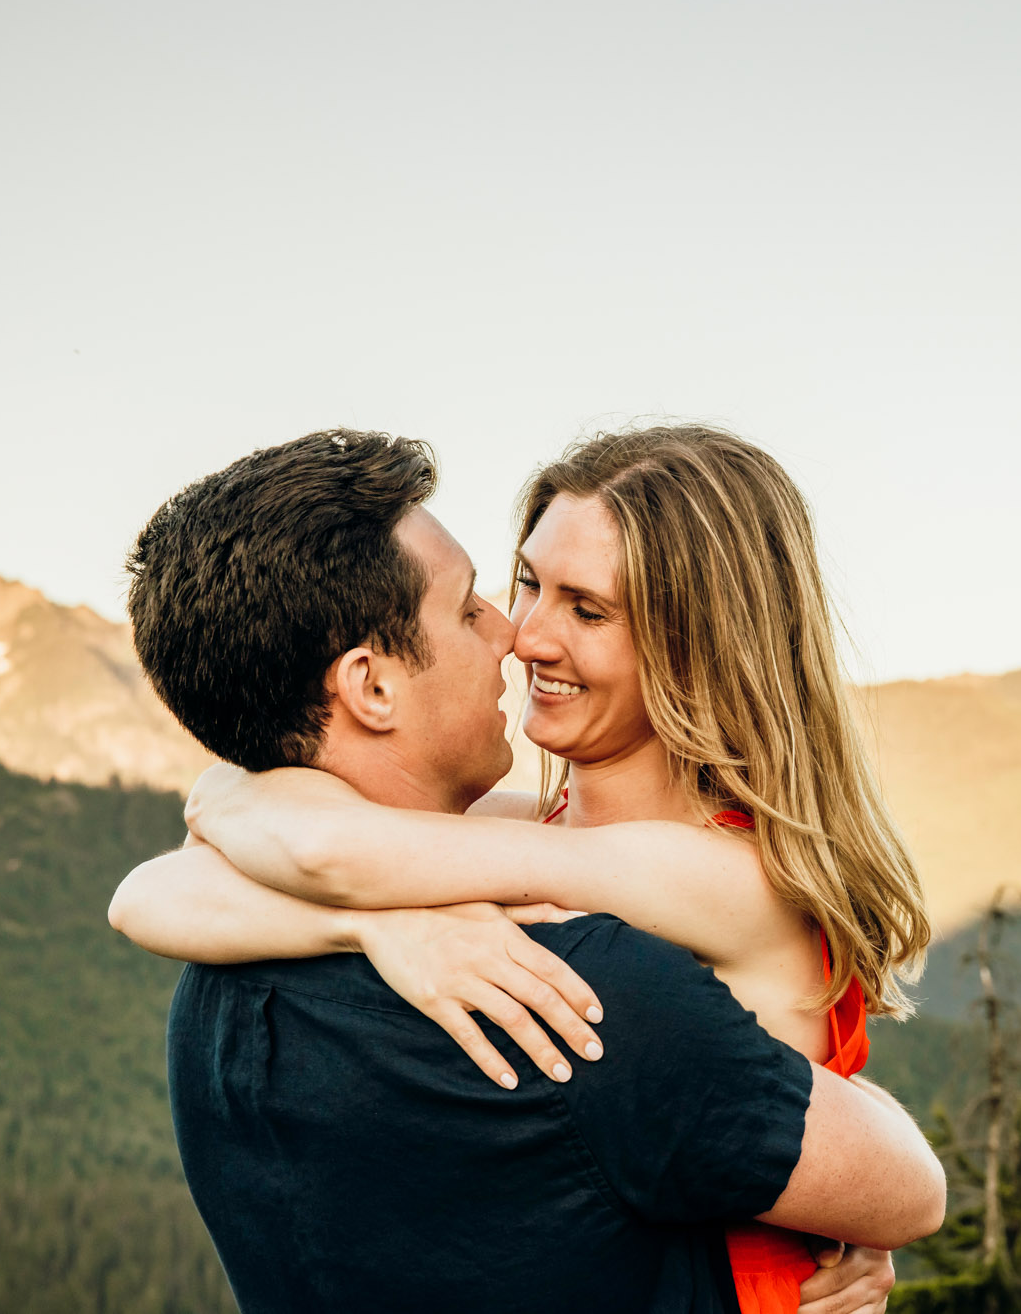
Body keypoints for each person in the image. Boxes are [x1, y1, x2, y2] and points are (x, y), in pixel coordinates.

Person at [110, 428, 941, 1314]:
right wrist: (372, 920)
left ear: (701, 645)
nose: (523, 635)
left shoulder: (692, 879)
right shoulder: (543, 842)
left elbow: (301, 853)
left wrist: (235, 796)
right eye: (525, 585)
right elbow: (156, 892)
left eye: (588, 610)